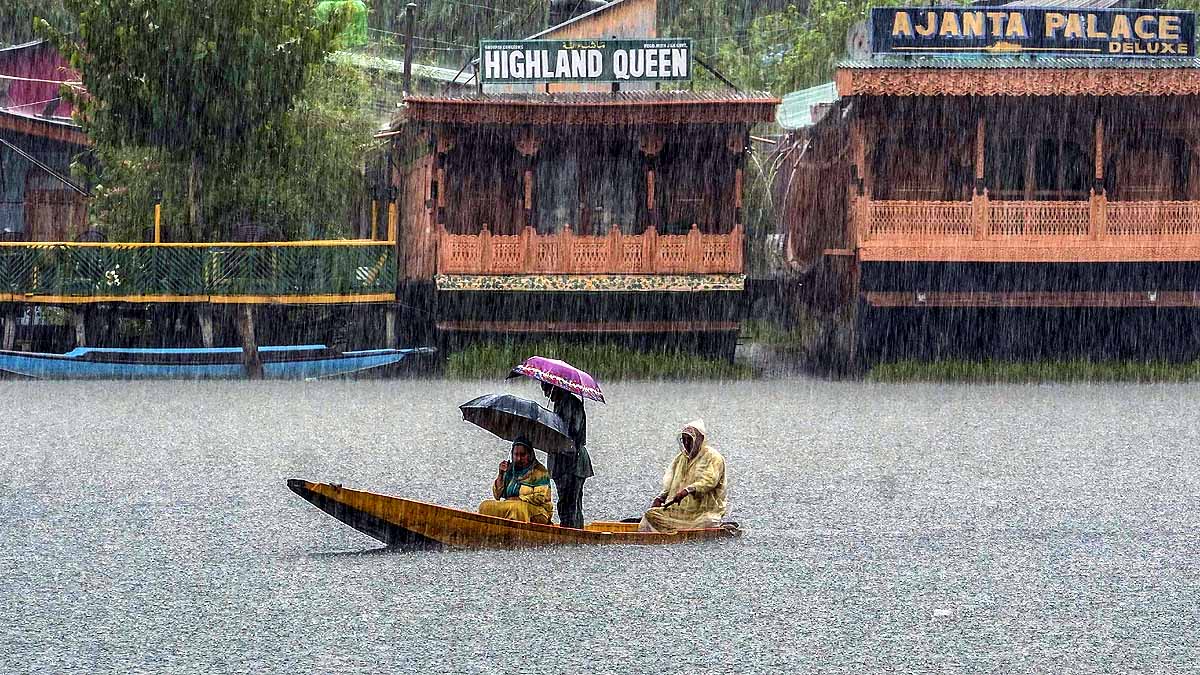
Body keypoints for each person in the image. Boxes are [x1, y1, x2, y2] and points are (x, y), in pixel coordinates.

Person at [639, 418, 726, 533]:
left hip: (703, 512)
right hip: (679, 510)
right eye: (684, 440)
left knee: (708, 520)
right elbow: (670, 481)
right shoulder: (681, 458)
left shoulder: (713, 457)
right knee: (651, 514)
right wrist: (660, 497)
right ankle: (675, 529)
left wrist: (688, 490)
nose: (686, 443)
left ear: (700, 440)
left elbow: (709, 481)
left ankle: (674, 530)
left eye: (689, 440)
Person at [542, 382, 593, 529]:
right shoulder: (561, 404)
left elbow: (572, 432)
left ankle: (572, 535)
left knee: (570, 503)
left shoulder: (570, 404)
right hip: (563, 462)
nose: (546, 394)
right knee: (567, 503)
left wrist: (551, 429)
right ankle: (572, 533)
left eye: (547, 389)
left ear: (555, 387)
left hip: (573, 462)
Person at [478, 437, 553, 524]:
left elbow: (540, 498)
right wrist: (501, 475)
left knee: (517, 508)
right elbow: (497, 495)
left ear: (530, 455)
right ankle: (491, 533)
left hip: (539, 511)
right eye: (516, 454)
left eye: (522, 455)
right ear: (512, 454)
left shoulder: (540, 471)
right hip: (511, 505)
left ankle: (517, 534)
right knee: (485, 506)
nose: (518, 458)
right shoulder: (510, 469)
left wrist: (519, 499)